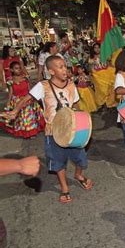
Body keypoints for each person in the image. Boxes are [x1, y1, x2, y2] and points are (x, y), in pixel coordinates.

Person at [7, 55, 93, 203]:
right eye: (60, 67)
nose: (64, 69)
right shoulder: (43, 86)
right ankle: (64, 187)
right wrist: (15, 111)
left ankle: (78, 175)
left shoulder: (72, 85)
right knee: (58, 161)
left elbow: (77, 105)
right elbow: (27, 98)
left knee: (81, 158)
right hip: (53, 132)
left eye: (64, 66)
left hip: (73, 129)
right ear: (51, 71)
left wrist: (83, 121)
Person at [0, 61, 45, 138]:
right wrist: (8, 103)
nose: (19, 70)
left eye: (20, 68)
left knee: (29, 116)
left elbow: (30, 89)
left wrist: (33, 98)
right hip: (17, 101)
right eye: (16, 68)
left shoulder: (25, 78)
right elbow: (11, 93)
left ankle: (31, 132)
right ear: (11, 70)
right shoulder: (10, 81)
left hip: (27, 99)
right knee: (22, 118)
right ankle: (25, 131)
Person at [88, 43, 118, 108]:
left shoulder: (105, 55)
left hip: (107, 75)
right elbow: (91, 68)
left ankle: (110, 103)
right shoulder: (91, 58)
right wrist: (93, 73)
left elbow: (109, 64)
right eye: (95, 48)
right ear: (93, 49)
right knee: (101, 90)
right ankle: (103, 104)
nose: (97, 49)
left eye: (98, 47)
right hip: (98, 77)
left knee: (110, 88)